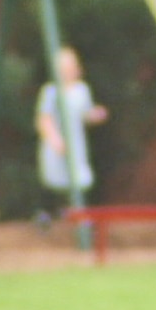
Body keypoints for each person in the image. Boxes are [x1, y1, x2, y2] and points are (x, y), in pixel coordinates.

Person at [35, 47, 108, 226]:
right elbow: (44, 119)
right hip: (57, 145)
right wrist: (54, 139)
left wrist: (95, 115)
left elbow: (85, 114)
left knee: (78, 180)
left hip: (75, 144)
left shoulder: (82, 90)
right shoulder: (51, 92)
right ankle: (46, 217)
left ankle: (78, 216)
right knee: (55, 180)